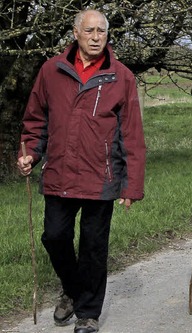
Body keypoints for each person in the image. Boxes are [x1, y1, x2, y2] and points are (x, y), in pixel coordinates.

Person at [16, 9, 146, 333]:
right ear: (76, 33)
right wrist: (31, 152)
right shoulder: (51, 70)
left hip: (101, 177)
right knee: (54, 236)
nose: (96, 36)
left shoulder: (122, 77)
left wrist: (132, 186)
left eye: (102, 31)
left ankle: (88, 313)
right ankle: (74, 291)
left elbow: (132, 135)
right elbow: (35, 120)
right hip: (59, 172)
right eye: (89, 30)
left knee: (93, 247)